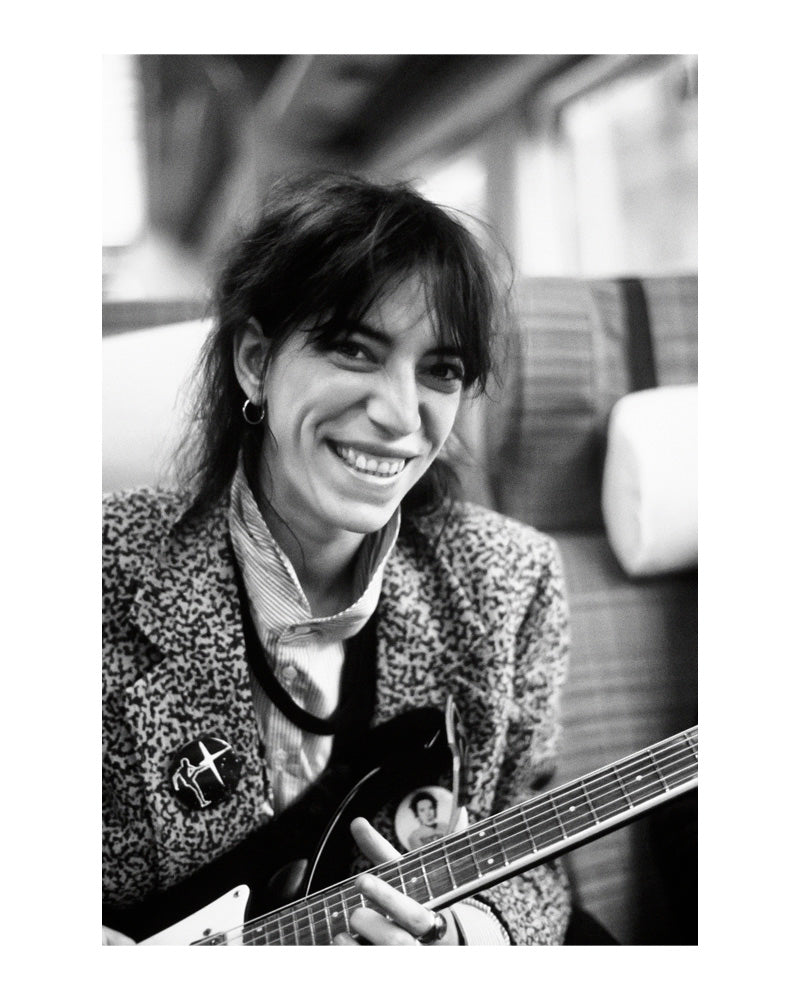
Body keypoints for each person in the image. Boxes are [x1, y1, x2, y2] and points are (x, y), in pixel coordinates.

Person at [102, 172, 571, 946]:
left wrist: (474, 941)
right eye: (354, 349)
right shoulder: (95, 572)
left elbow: (532, 845)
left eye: (441, 371)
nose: (399, 414)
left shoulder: (510, 581)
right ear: (255, 362)